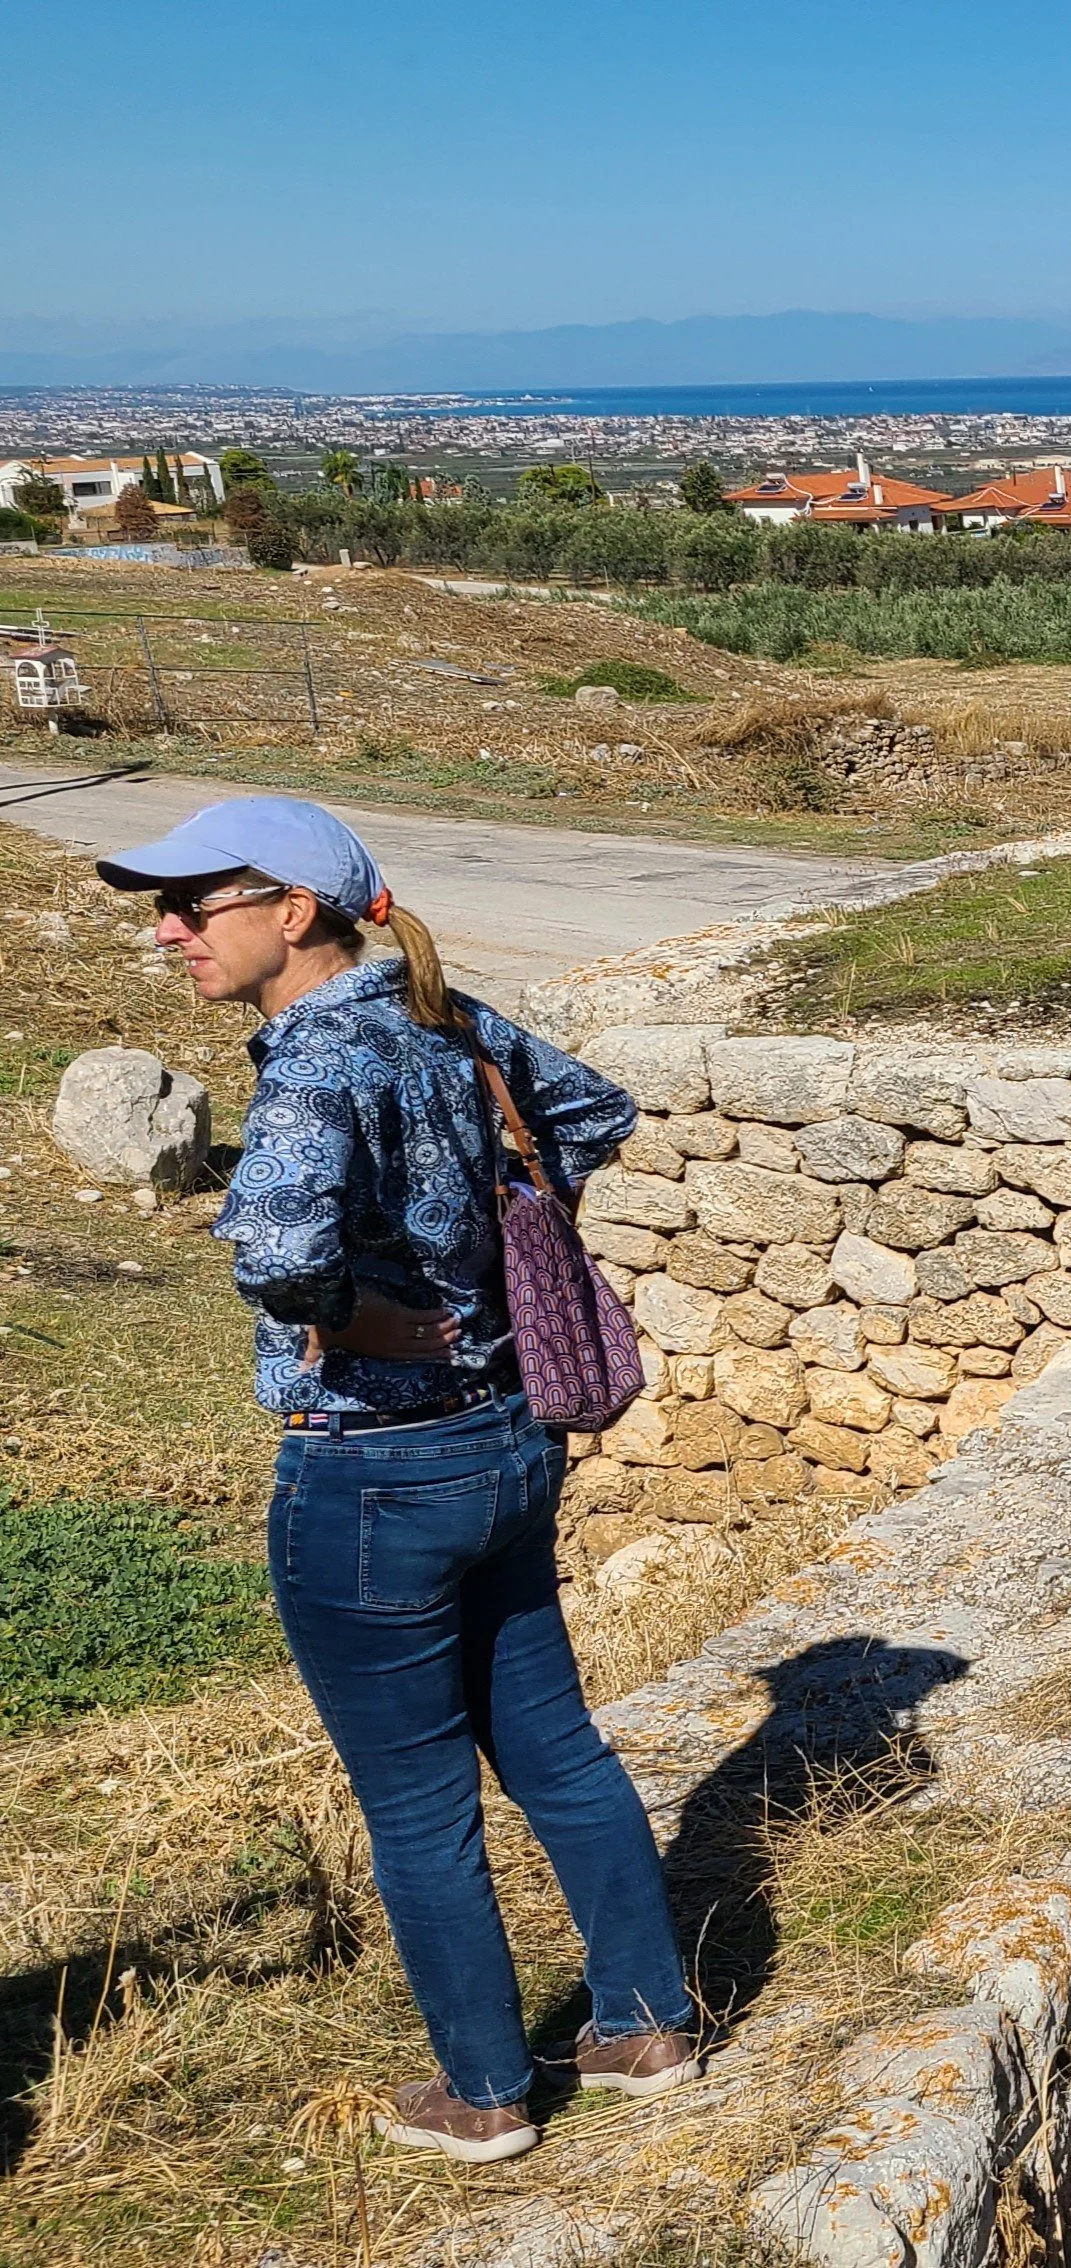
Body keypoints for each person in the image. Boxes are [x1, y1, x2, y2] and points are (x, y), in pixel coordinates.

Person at [95, 796, 695, 2165]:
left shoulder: (312, 1063)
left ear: (289, 911)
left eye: (195, 905)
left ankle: (486, 2094)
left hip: (370, 1478)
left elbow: (274, 1255)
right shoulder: (446, 1015)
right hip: (503, 1439)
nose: (168, 931)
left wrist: (361, 1314)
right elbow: (593, 1112)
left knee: (420, 1807)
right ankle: (646, 2022)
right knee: (559, 1751)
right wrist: (484, 1264)